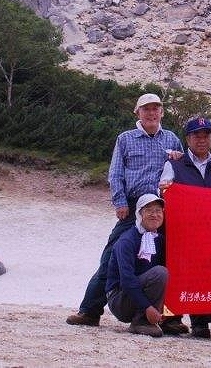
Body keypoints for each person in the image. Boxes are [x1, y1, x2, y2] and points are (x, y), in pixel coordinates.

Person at [66, 93, 187, 335]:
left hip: (162, 208)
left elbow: (182, 171)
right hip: (133, 207)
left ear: (162, 112)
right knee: (112, 255)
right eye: (146, 109)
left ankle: (170, 318)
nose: (151, 113)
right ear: (137, 112)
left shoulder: (172, 139)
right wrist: (120, 202)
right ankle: (90, 310)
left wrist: (179, 159)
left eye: (155, 109)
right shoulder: (125, 139)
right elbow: (115, 173)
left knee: (169, 259)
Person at [159, 116, 211, 340]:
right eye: (196, 135)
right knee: (195, 275)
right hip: (186, 232)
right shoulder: (174, 164)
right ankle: (200, 324)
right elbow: (163, 193)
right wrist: (166, 190)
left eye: (206, 135)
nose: (202, 139)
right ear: (187, 139)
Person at [106, 193, 168, 337]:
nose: (155, 215)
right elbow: (127, 280)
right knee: (160, 273)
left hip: (138, 294)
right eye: (149, 210)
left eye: (158, 211)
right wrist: (147, 307)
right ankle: (142, 321)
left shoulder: (159, 239)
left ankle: (157, 319)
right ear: (139, 214)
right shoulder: (127, 241)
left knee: (166, 271)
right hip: (120, 299)